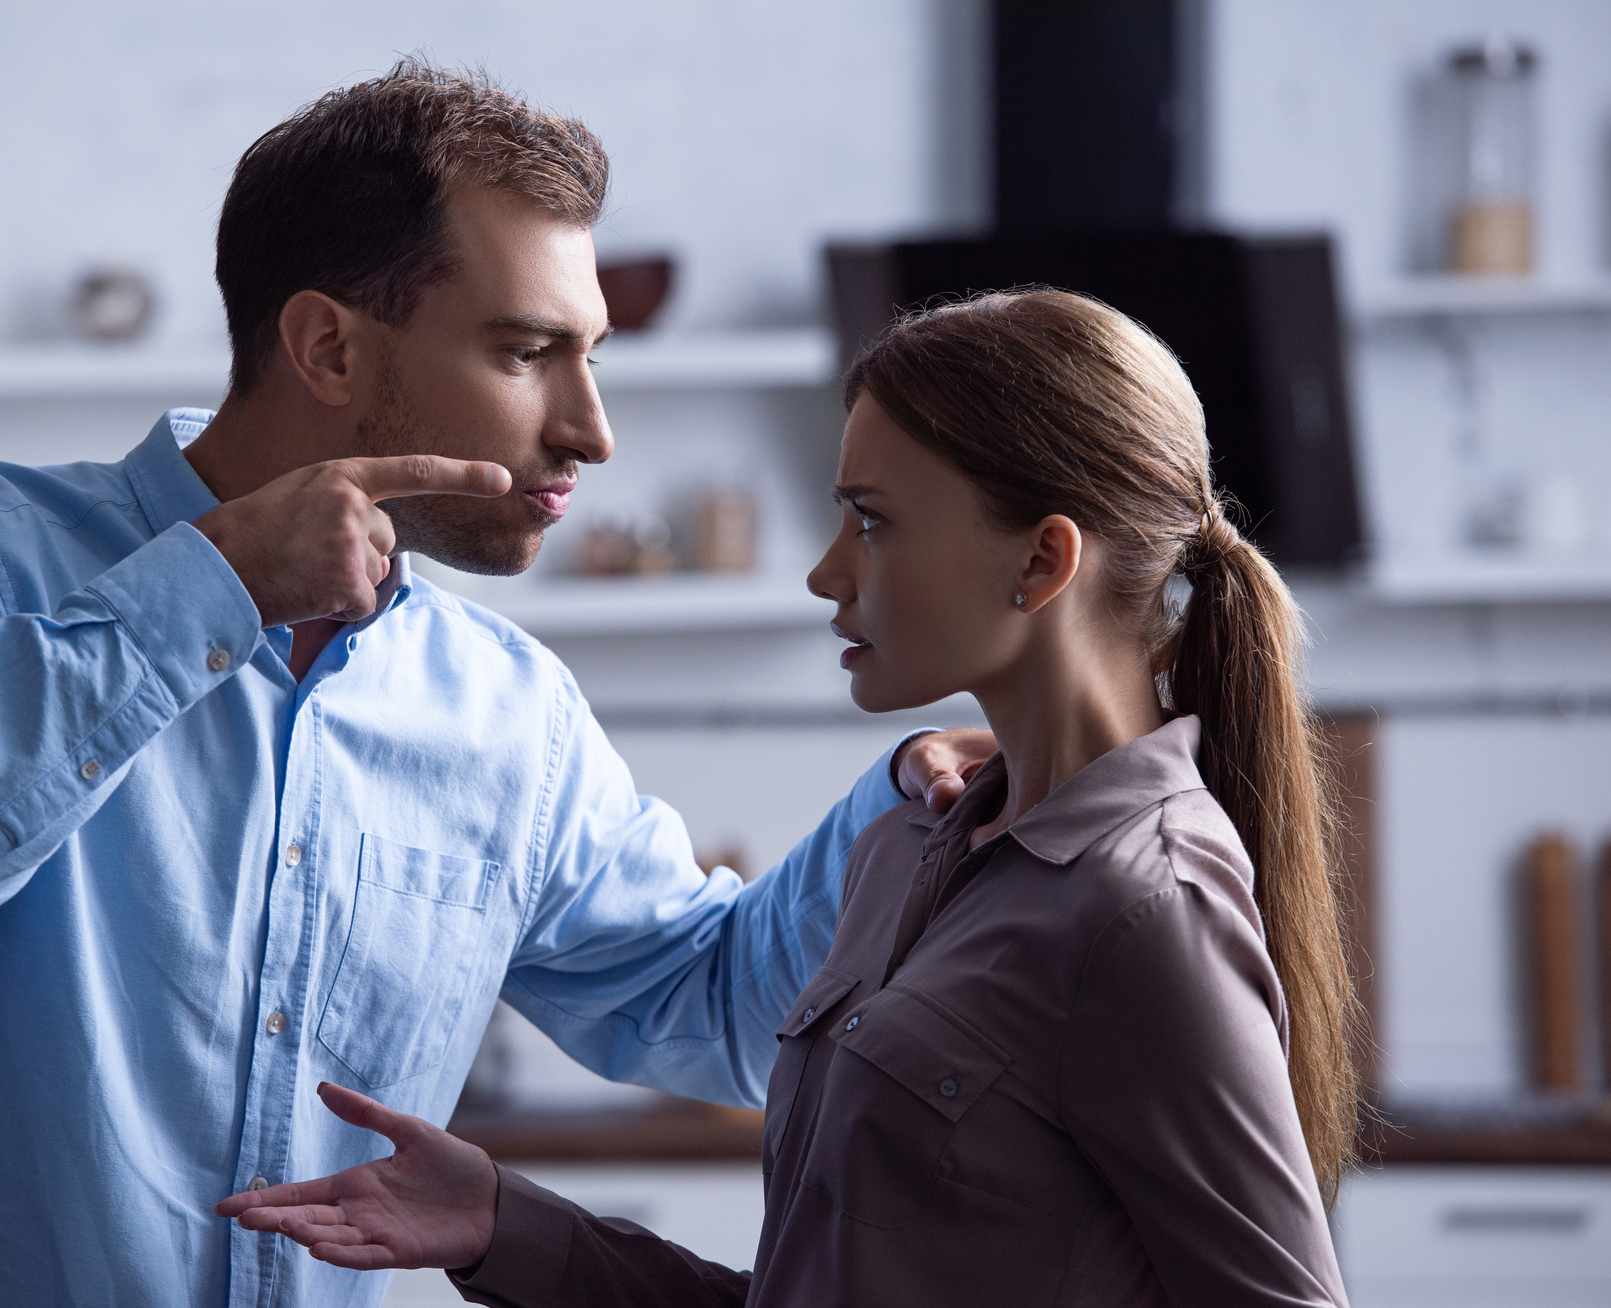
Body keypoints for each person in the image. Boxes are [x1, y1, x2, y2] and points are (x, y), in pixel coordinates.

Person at [0, 62, 990, 1308]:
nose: (592, 428)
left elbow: (706, 1006)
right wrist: (208, 587)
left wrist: (899, 817)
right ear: (326, 348)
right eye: (528, 352)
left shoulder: (504, 709)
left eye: (593, 357)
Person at [219, 288, 1364, 1308]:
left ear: (1038, 563)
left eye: (870, 521)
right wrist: (500, 1225)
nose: (827, 572)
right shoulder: (906, 851)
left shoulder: (1141, 907)